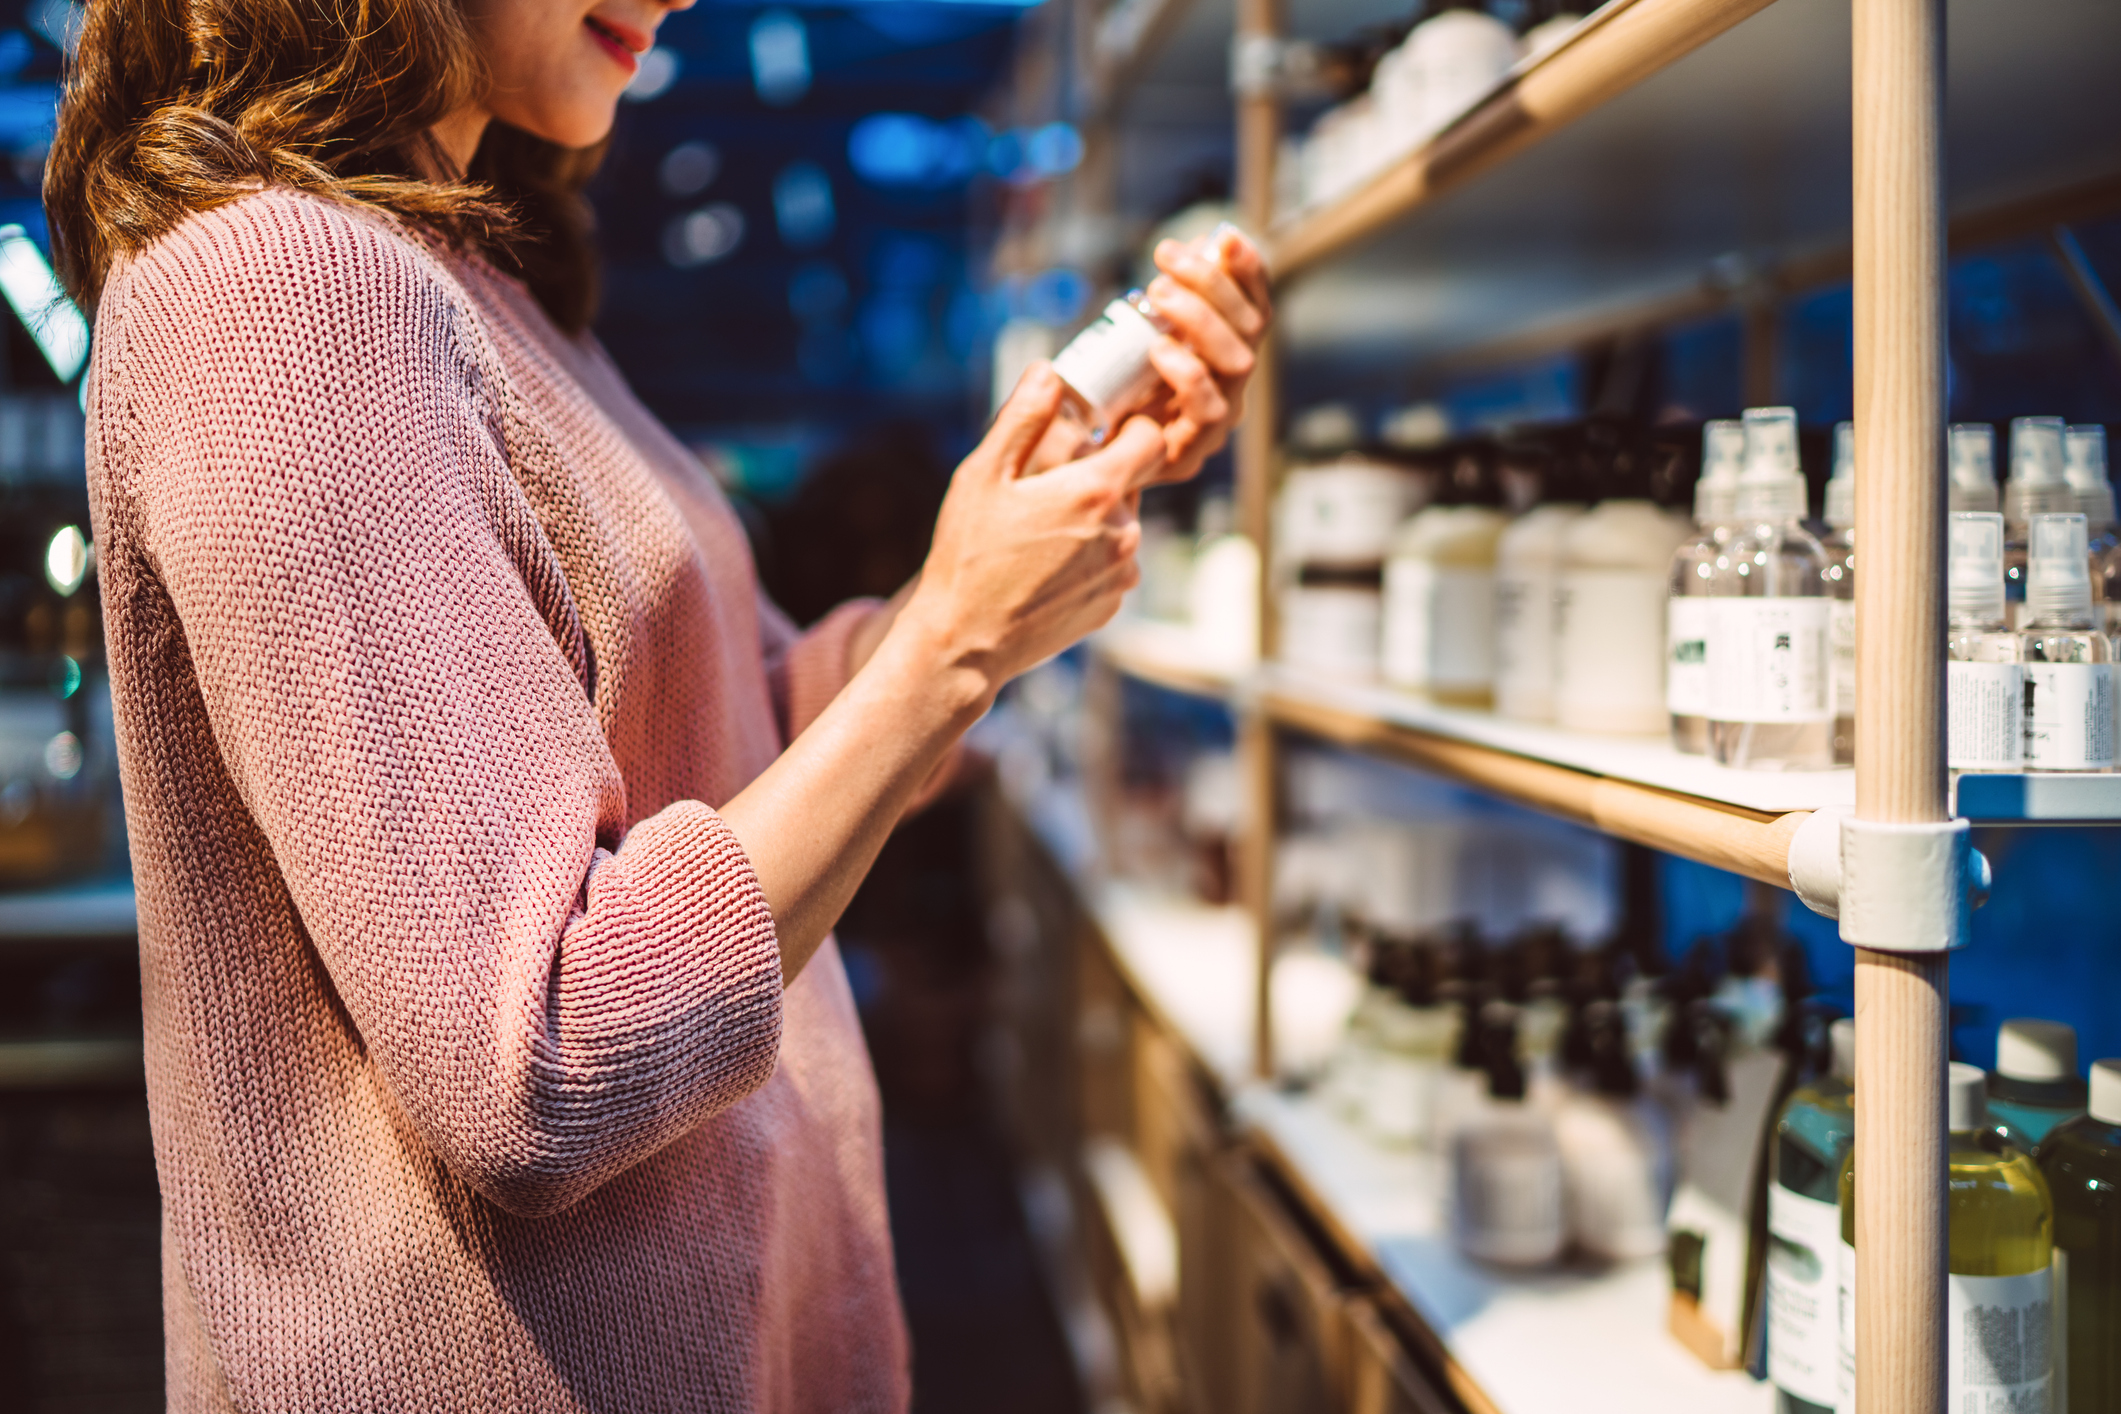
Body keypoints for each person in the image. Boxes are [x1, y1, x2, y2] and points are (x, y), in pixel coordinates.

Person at [43, 0, 1271, 1405]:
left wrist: (1017, 541)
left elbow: (742, 730)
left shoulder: (471, 283)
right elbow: (542, 1052)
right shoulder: (279, 287)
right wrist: (952, 642)